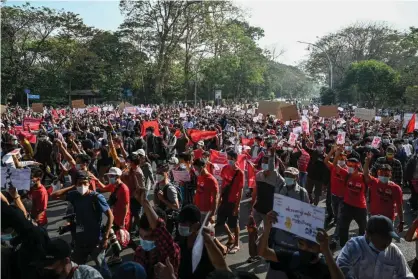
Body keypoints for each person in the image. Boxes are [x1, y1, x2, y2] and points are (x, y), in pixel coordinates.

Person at [50, 170, 113, 278]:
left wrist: (106, 237)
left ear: (89, 183)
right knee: (76, 268)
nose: (82, 186)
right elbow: (53, 195)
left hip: (95, 241)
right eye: (80, 184)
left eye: (85, 183)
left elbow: (111, 216)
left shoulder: (96, 197)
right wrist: (72, 187)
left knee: (102, 268)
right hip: (80, 241)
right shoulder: (75, 195)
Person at [258, 210, 344, 279]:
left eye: (311, 244)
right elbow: (264, 253)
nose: (306, 247)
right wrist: (267, 228)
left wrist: (326, 251)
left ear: (320, 246)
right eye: (301, 242)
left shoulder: (327, 267)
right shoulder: (294, 258)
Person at [336, 215, 414, 279]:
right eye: (383, 237)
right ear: (368, 234)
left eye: (390, 237)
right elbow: (340, 271)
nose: (388, 242)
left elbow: (406, 276)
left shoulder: (393, 251)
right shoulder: (353, 247)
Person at [133, 187, 180, 279]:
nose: (144, 240)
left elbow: (159, 227)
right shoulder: (139, 252)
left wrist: (145, 203)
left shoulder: (170, 252)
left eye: (149, 237)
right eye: (141, 236)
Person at [247, 152, 285, 263]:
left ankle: (265, 253)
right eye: (263, 161)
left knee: (266, 234)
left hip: (269, 212)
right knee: (252, 231)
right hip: (257, 208)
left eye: (267, 162)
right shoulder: (258, 175)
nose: (264, 163)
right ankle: (254, 253)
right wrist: (251, 209)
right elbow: (255, 193)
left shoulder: (276, 177)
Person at [94, 167, 131, 265]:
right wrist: (95, 179)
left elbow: (126, 206)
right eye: (109, 176)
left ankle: (117, 256)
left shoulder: (124, 189)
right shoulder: (114, 186)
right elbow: (103, 188)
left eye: (111, 176)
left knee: (117, 234)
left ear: (118, 177)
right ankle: (116, 254)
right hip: (115, 215)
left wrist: (123, 221)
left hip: (122, 217)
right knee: (112, 233)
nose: (109, 178)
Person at [364, 152, 404, 230]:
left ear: (390, 175)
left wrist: (401, 221)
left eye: (386, 174)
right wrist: (367, 161)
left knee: (386, 239)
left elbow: (399, 206)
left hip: (388, 218)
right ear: (378, 173)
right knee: (373, 239)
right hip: (374, 217)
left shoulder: (396, 188)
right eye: (381, 173)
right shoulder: (374, 182)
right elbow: (365, 174)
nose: (383, 176)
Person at [334, 154, 368, 247]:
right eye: (348, 165)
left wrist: (367, 161)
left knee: (363, 229)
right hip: (347, 205)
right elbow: (335, 166)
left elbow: (366, 173)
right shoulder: (346, 174)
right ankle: (344, 248)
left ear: (357, 166)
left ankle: (361, 247)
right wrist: (336, 154)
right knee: (343, 228)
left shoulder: (363, 177)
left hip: (360, 207)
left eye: (351, 166)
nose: (349, 167)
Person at [217, 150, 244, 254]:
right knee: (221, 221)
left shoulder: (239, 173)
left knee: (234, 223)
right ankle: (230, 236)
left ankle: (236, 244)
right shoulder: (225, 168)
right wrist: (219, 198)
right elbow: (223, 183)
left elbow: (241, 190)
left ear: (235, 159)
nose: (229, 160)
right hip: (225, 199)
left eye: (231, 159)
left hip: (233, 201)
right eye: (228, 158)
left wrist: (237, 206)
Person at [178, 205, 216, 279]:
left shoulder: (205, 246)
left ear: (196, 225)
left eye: (184, 223)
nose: (181, 226)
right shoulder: (181, 240)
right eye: (180, 223)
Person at [193, 158, 219, 224]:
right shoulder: (200, 176)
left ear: (202, 167)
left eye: (196, 168)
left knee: (206, 231)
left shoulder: (211, 180)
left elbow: (215, 198)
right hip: (198, 208)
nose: (195, 170)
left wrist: (213, 214)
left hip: (206, 211)